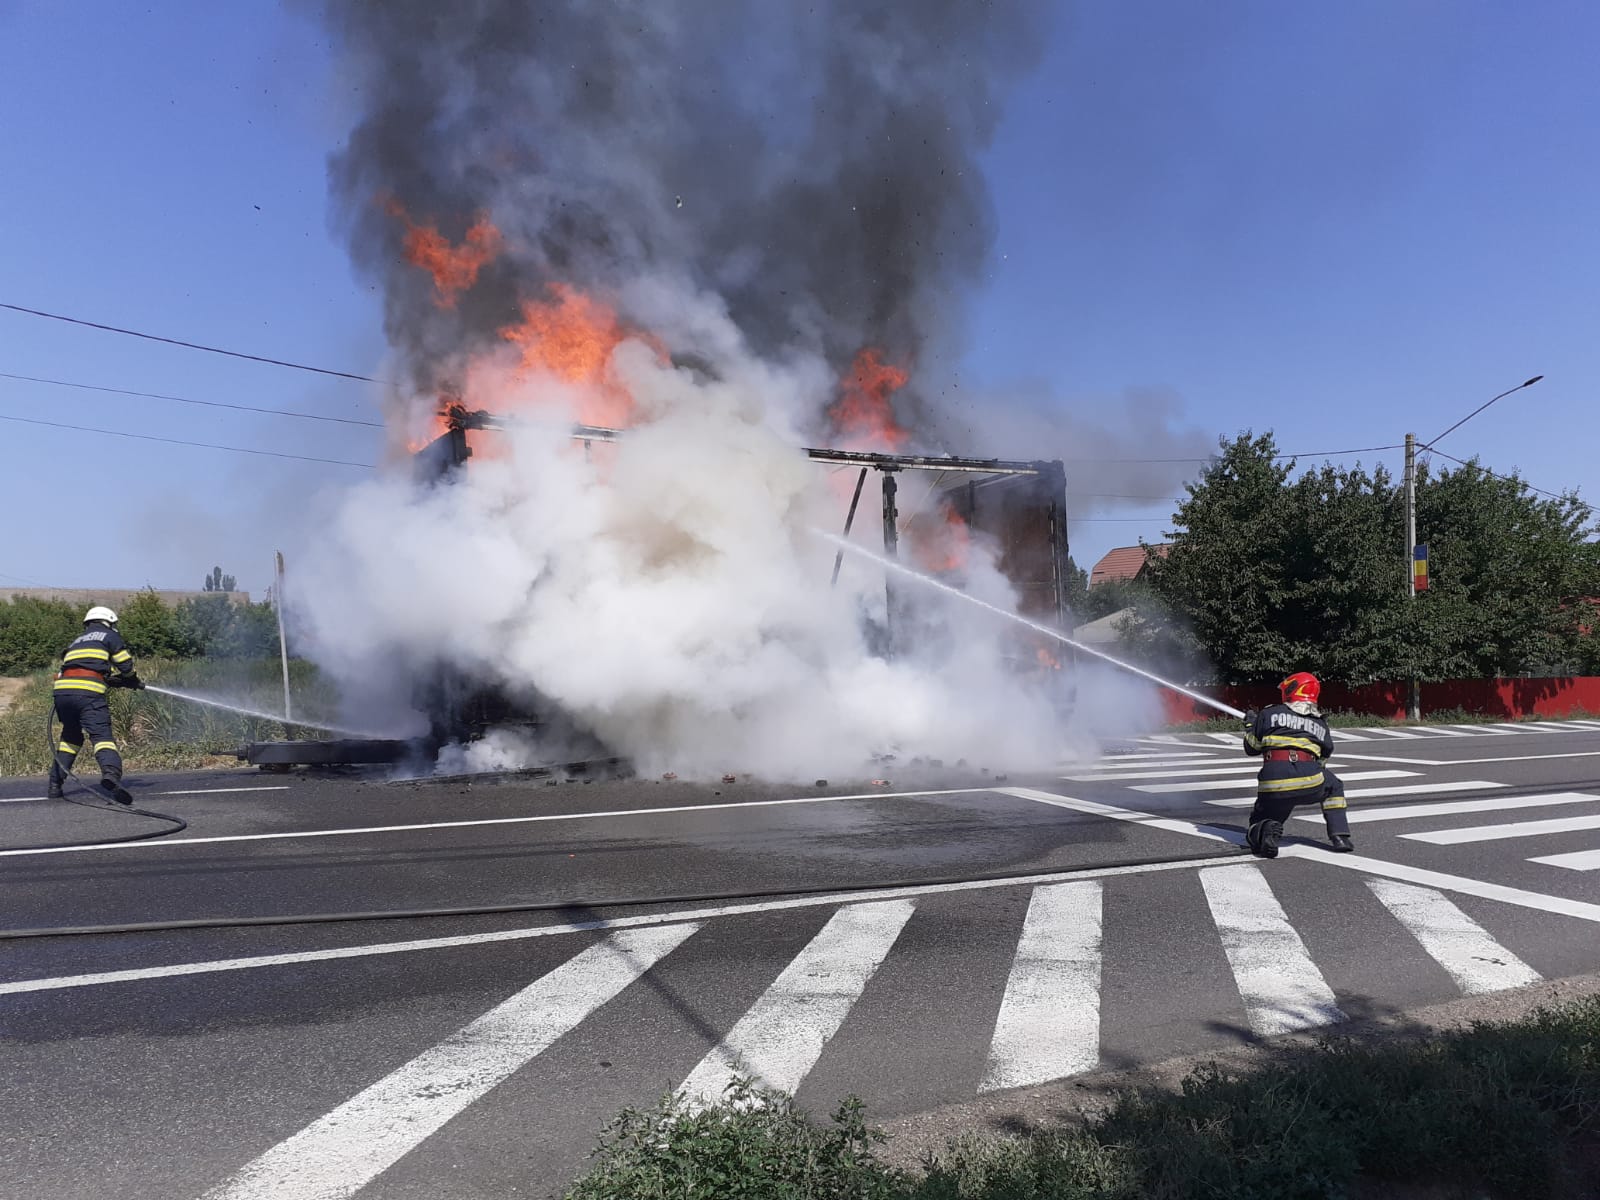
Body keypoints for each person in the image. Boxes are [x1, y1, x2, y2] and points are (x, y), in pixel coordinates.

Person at [1240, 671, 1353, 858]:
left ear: (1291, 691)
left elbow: (1252, 748)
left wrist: (1251, 726)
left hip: (1272, 782)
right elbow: (1325, 756)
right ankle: (1340, 836)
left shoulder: (1268, 713)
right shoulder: (1320, 723)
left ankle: (1266, 828)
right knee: (1334, 786)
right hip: (1310, 780)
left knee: (1262, 817)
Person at [48, 605, 144, 805]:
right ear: (108, 622)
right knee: (102, 737)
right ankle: (111, 775)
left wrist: (109, 679)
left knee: (70, 737)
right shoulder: (109, 636)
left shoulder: (77, 642)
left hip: (62, 693)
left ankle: (55, 784)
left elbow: (80, 669)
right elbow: (125, 664)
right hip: (88, 695)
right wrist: (131, 679)